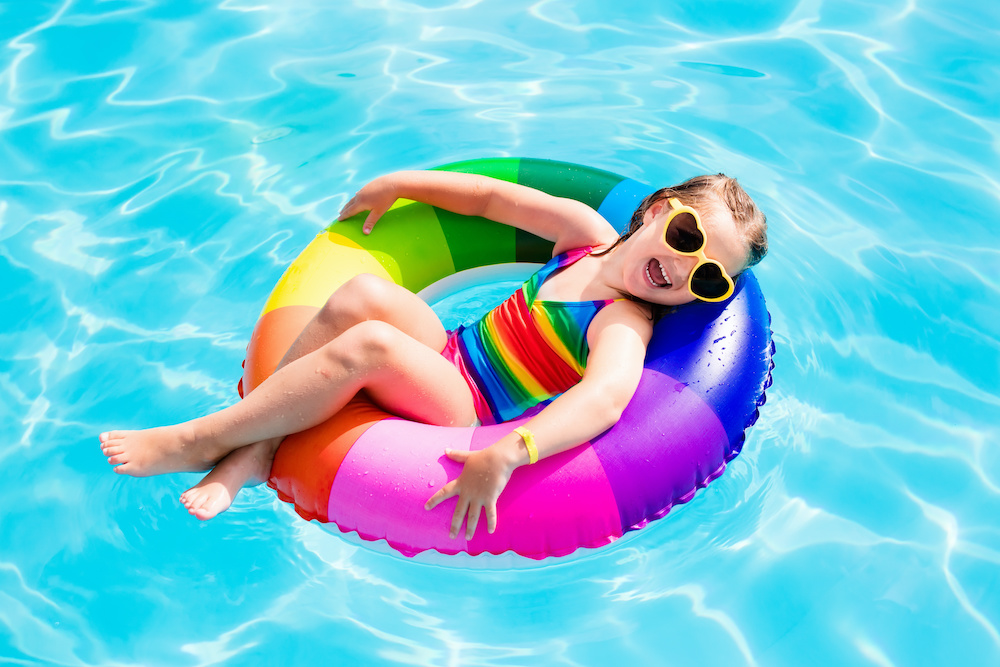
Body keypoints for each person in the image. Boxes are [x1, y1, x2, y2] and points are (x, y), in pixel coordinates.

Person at [99, 169, 767, 538]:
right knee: (363, 292)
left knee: (372, 344)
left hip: (470, 407)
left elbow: (606, 398)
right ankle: (257, 446)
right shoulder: (586, 236)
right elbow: (494, 198)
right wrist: (405, 184)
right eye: (685, 234)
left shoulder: (622, 322)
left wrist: (511, 449)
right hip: (451, 350)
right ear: (653, 210)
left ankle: (198, 437)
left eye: (708, 275)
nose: (682, 268)